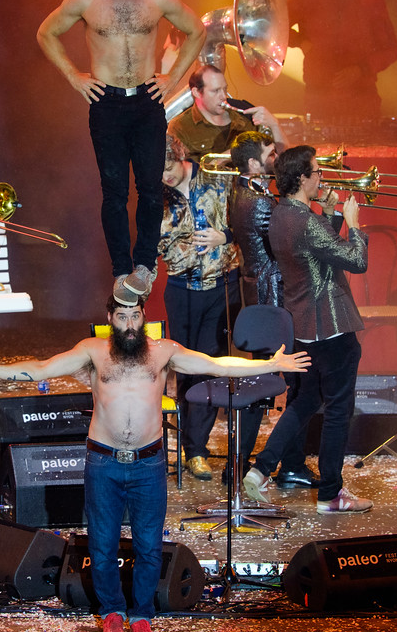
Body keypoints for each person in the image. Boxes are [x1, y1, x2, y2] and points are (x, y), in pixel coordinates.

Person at [0, 296, 310, 632]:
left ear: (143, 318)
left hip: (148, 463)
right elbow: (42, 368)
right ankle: (112, 613)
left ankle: (141, 618)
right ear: (109, 317)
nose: (129, 324)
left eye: (135, 316)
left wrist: (270, 364)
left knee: (149, 547)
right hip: (103, 462)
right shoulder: (93, 351)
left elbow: (216, 365)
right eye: (122, 316)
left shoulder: (163, 351)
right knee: (102, 546)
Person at [36, 0, 205, 306]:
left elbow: (196, 30)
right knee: (114, 191)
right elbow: (46, 32)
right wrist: (74, 77)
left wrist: (173, 78)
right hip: (107, 103)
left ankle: (144, 265)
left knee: (150, 188)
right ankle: (120, 269)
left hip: (146, 100)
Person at [243, 145, 372, 514]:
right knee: (338, 410)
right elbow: (355, 260)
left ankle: (261, 469)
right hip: (332, 326)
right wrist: (354, 222)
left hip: (303, 325)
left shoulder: (281, 215)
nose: (321, 178)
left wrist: (330, 214)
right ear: (302, 178)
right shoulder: (306, 222)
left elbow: (318, 250)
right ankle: (331, 494)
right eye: (317, 172)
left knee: (306, 401)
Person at [228, 130, 318, 489]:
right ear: (253, 163)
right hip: (274, 299)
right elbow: (287, 245)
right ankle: (287, 464)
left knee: (262, 384)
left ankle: (240, 464)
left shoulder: (242, 192)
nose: (275, 159)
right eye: (270, 154)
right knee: (291, 383)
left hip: (260, 296)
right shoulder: (261, 203)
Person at [158, 134, 240, 481]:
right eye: (157, 171)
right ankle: (187, 445)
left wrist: (226, 236)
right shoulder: (156, 196)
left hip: (222, 285)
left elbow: (249, 219)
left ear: (179, 155)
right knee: (185, 367)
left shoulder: (217, 177)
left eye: (168, 167)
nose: (165, 176)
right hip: (181, 289)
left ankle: (196, 450)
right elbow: (154, 243)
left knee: (209, 364)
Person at [287, 0, 397, 123]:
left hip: (362, 98)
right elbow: (275, 28)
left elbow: (390, 50)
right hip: (319, 96)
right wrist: (300, 41)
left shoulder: (372, 1)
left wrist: (360, 70)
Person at [166, 63, 287, 165]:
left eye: (225, 89)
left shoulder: (244, 116)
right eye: (215, 91)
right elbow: (180, 174)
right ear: (196, 92)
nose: (223, 96)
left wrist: (274, 125)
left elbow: (284, 161)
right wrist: (231, 155)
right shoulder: (180, 126)